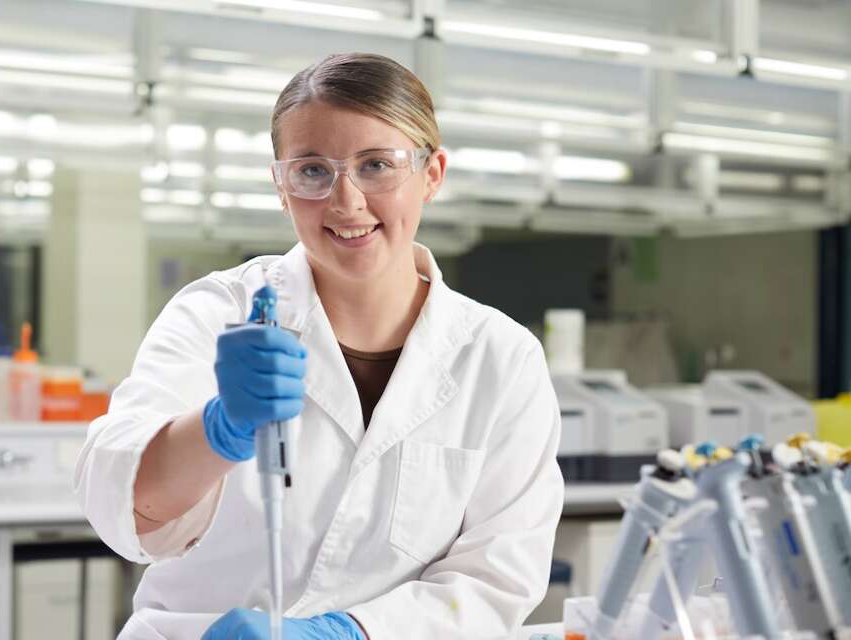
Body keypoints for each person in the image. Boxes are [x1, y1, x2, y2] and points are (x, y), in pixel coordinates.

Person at [76, 52, 564, 639]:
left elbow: (497, 574)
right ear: (280, 185)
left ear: (431, 174)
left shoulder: (502, 359)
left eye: (377, 165)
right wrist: (217, 429)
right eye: (311, 170)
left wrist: (348, 632)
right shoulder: (215, 314)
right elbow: (128, 507)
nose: (346, 201)